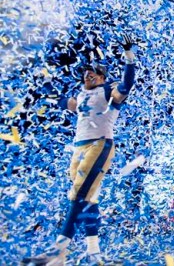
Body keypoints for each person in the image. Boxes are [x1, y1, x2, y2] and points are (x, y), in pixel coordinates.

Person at [22, 35, 137, 266]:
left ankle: (58, 251)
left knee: (78, 195)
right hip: (79, 148)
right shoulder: (81, 96)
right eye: (86, 71)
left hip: (99, 144)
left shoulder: (108, 92)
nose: (88, 73)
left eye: (94, 71)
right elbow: (57, 98)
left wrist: (128, 54)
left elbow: (127, 84)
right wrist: (39, 75)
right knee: (88, 198)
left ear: (103, 77)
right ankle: (94, 253)